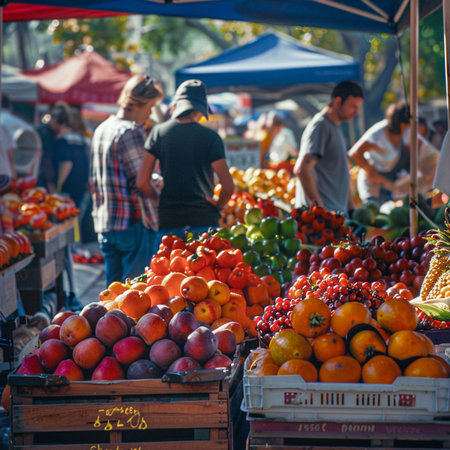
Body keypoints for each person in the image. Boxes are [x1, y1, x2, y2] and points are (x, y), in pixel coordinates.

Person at [136, 79, 235, 251]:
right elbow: (228, 186)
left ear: (176, 106)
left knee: (166, 277)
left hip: (169, 223)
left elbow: (142, 183)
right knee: (203, 277)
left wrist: (160, 199)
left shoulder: (158, 133)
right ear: (201, 110)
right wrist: (218, 204)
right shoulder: (211, 138)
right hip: (203, 223)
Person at [90, 75, 163, 286]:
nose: (150, 113)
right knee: (135, 294)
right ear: (138, 104)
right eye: (150, 107)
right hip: (132, 222)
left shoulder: (103, 128)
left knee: (111, 297)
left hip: (106, 223)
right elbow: (142, 181)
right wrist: (160, 196)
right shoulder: (131, 132)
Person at [293, 80, 364, 215]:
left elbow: (341, 173)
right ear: (337, 102)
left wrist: (351, 210)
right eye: (353, 106)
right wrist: (320, 212)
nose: (356, 112)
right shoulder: (321, 126)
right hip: (322, 221)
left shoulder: (335, 127)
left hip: (336, 215)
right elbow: (302, 169)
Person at [36, 103, 71, 193]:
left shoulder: (40, 128)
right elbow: (47, 160)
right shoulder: (46, 134)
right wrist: (51, 185)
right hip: (39, 180)